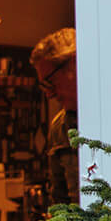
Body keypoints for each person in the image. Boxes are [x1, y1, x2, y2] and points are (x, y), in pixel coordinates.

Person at [30, 27, 79, 206]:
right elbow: (60, 201)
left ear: (73, 64)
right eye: (44, 86)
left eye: (50, 82)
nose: (49, 95)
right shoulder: (59, 128)